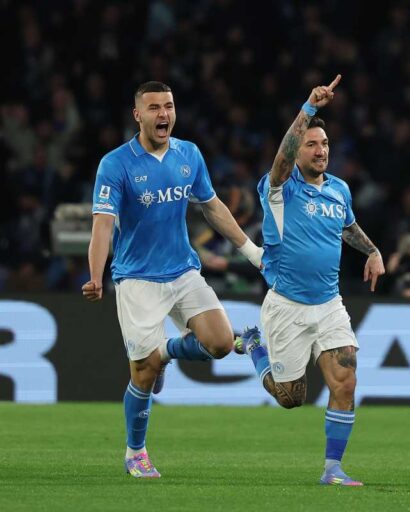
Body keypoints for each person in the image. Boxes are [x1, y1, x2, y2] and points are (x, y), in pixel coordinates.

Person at [82, 81, 264, 478]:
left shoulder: (189, 154)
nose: (163, 114)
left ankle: (165, 353)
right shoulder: (116, 164)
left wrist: (252, 252)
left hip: (183, 270)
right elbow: (103, 224)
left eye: (168, 106)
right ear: (138, 115)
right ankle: (136, 452)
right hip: (137, 279)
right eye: (153, 108)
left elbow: (211, 207)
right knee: (142, 373)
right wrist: (95, 274)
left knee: (218, 343)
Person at [233, 75, 385, 486]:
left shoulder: (339, 190)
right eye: (312, 145)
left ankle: (332, 469)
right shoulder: (279, 189)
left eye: (325, 145)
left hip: (329, 303)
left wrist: (371, 251)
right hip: (287, 306)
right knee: (291, 398)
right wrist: (309, 109)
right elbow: (280, 160)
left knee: (346, 380)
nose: (321, 152)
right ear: (298, 151)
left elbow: (348, 228)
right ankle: (252, 345)